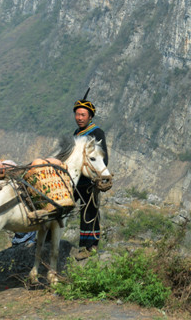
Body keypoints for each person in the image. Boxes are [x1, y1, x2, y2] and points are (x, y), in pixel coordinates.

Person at [72, 88, 108, 259]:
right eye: (77, 115)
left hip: (89, 180)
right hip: (75, 180)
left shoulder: (96, 133)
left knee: (90, 212)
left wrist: (96, 175)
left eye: (83, 115)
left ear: (90, 117)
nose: (79, 118)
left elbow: (102, 158)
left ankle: (90, 246)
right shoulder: (76, 134)